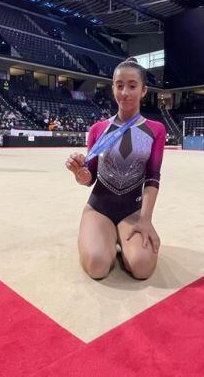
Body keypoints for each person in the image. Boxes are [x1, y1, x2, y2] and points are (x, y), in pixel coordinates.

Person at [65, 58, 166, 281]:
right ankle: (100, 237)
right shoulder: (98, 129)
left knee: (142, 267)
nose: (125, 92)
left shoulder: (155, 130)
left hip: (133, 211)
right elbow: (88, 177)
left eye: (132, 85)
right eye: (119, 85)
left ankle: (120, 240)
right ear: (112, 88)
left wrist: (146, 220)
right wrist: (78, 173)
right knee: (97, 266)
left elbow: (152, 177)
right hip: (99, 208)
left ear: (143, 90)